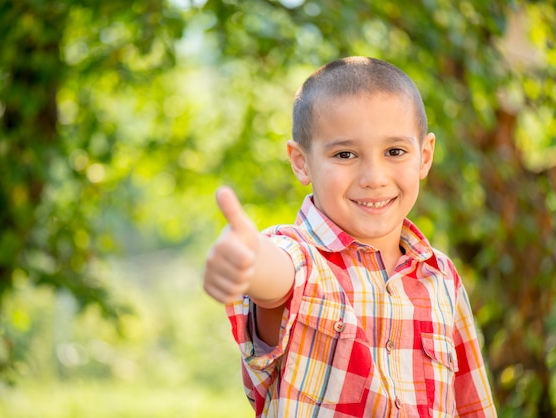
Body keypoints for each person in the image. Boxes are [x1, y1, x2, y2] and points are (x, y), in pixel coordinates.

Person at [203, 56, 496, 417]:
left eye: (395, 151)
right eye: (345, 154)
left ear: (424, 156)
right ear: (301, 162)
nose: (374, 176)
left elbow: (471, 404)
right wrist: (247, 260)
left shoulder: (442, 277)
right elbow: (275, 273)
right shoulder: (302, 259)